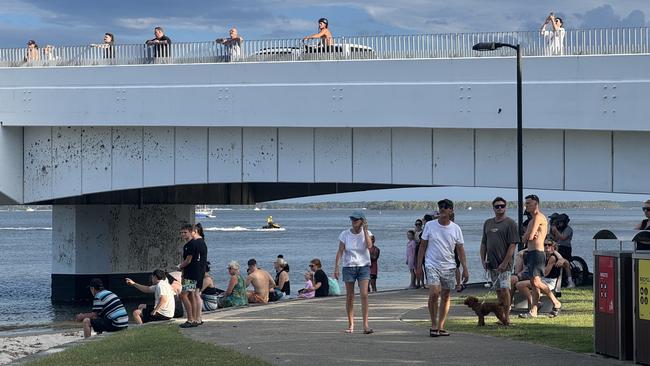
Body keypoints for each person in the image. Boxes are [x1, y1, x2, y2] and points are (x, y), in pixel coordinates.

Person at [417, 199, 468, 337]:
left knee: (445, 295)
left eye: (446, 207)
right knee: (434, 292)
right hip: (431, 264)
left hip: (449, 266)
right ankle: (433, 324)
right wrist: (418, 266)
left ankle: (441, 325)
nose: (442, 210)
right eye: (440, 207)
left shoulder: (455, 228)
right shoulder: (430, 226)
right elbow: (422, 246)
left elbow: (460, 249)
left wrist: (465, 268)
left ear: (451, 210)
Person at [480, 197, 519, 325]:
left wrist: (504, 262)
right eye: (497, 206)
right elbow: (484, 243)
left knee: (505, 289)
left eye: (502, 206)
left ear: (505, 207)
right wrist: (483, 260)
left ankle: (507, 317)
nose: (500, 208)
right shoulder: (488, 223)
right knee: (497, 290)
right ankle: (501, 316)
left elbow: (512, 245)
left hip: (505, 265)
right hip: (492, 263)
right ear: (493, 208)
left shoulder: (511, 223)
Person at [334, 211, 374, 334]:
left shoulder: (367, 233)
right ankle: (351, 324)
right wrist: (336, 267)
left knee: (364, 294)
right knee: (350, 296)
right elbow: (340, 251)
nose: (354, 222)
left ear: (362, 221)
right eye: (352, 220)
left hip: (364, 266)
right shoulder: (345, 234)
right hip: (349, 266)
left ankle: (365, 325)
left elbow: (369, 246)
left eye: (356, 220)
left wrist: (366, 231)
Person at [519, 194, 548, 318]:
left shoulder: (538, 217)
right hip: (530, 253)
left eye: (529, 203)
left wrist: (529, 235)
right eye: (526, 204)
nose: (527, 206)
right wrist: (528, 235)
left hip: (537, 253)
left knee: (536, 282)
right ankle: (534, 311)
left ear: (536, 204)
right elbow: (523, 239)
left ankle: (555, 301)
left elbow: (529, 237)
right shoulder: (531, 220)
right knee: (534, 282)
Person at [517, 239, 563, 318]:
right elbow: (520, 253)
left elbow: (545, 273)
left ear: (553, 247)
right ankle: (534, 307)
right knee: (522, 284)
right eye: (544, 245)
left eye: (549, 245)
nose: (547, 247)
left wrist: (534, 271)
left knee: (525, 284)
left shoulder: (552, 258)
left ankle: (553, 303)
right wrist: (532, 249)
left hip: (548, 281)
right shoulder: (542, 255)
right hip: (542, 279)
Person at [178, 224, 205, 328]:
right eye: (181, 232)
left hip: (191, 274)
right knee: (192, 295)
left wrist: (180, 266)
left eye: (185, 232)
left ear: (191, 232)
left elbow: (188, 260)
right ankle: (194, 318)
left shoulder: (190, 244)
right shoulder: (192, 244)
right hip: (193, 273)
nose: (183, 234)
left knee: (183, 295)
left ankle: (190, 319)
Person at [550, 213, 576, 288]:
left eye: (561, 222)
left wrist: (556, 231)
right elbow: (556, 239)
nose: (560, 224)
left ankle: (570, 281)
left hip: (566, 248)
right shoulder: (560, 229)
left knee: (565, 263)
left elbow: (563, 238)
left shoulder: (568, 229)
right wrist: (553, 232)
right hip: (558, 247)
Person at [413, 219, 424, 288]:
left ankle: (422, 283)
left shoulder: (423, 232)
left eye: (419, 224)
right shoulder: (414, 232)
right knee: (416, 267)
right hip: (415, 250)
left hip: (421, 249)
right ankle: (417, 282)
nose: (418, 226)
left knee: (422, 267)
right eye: (416, 224)